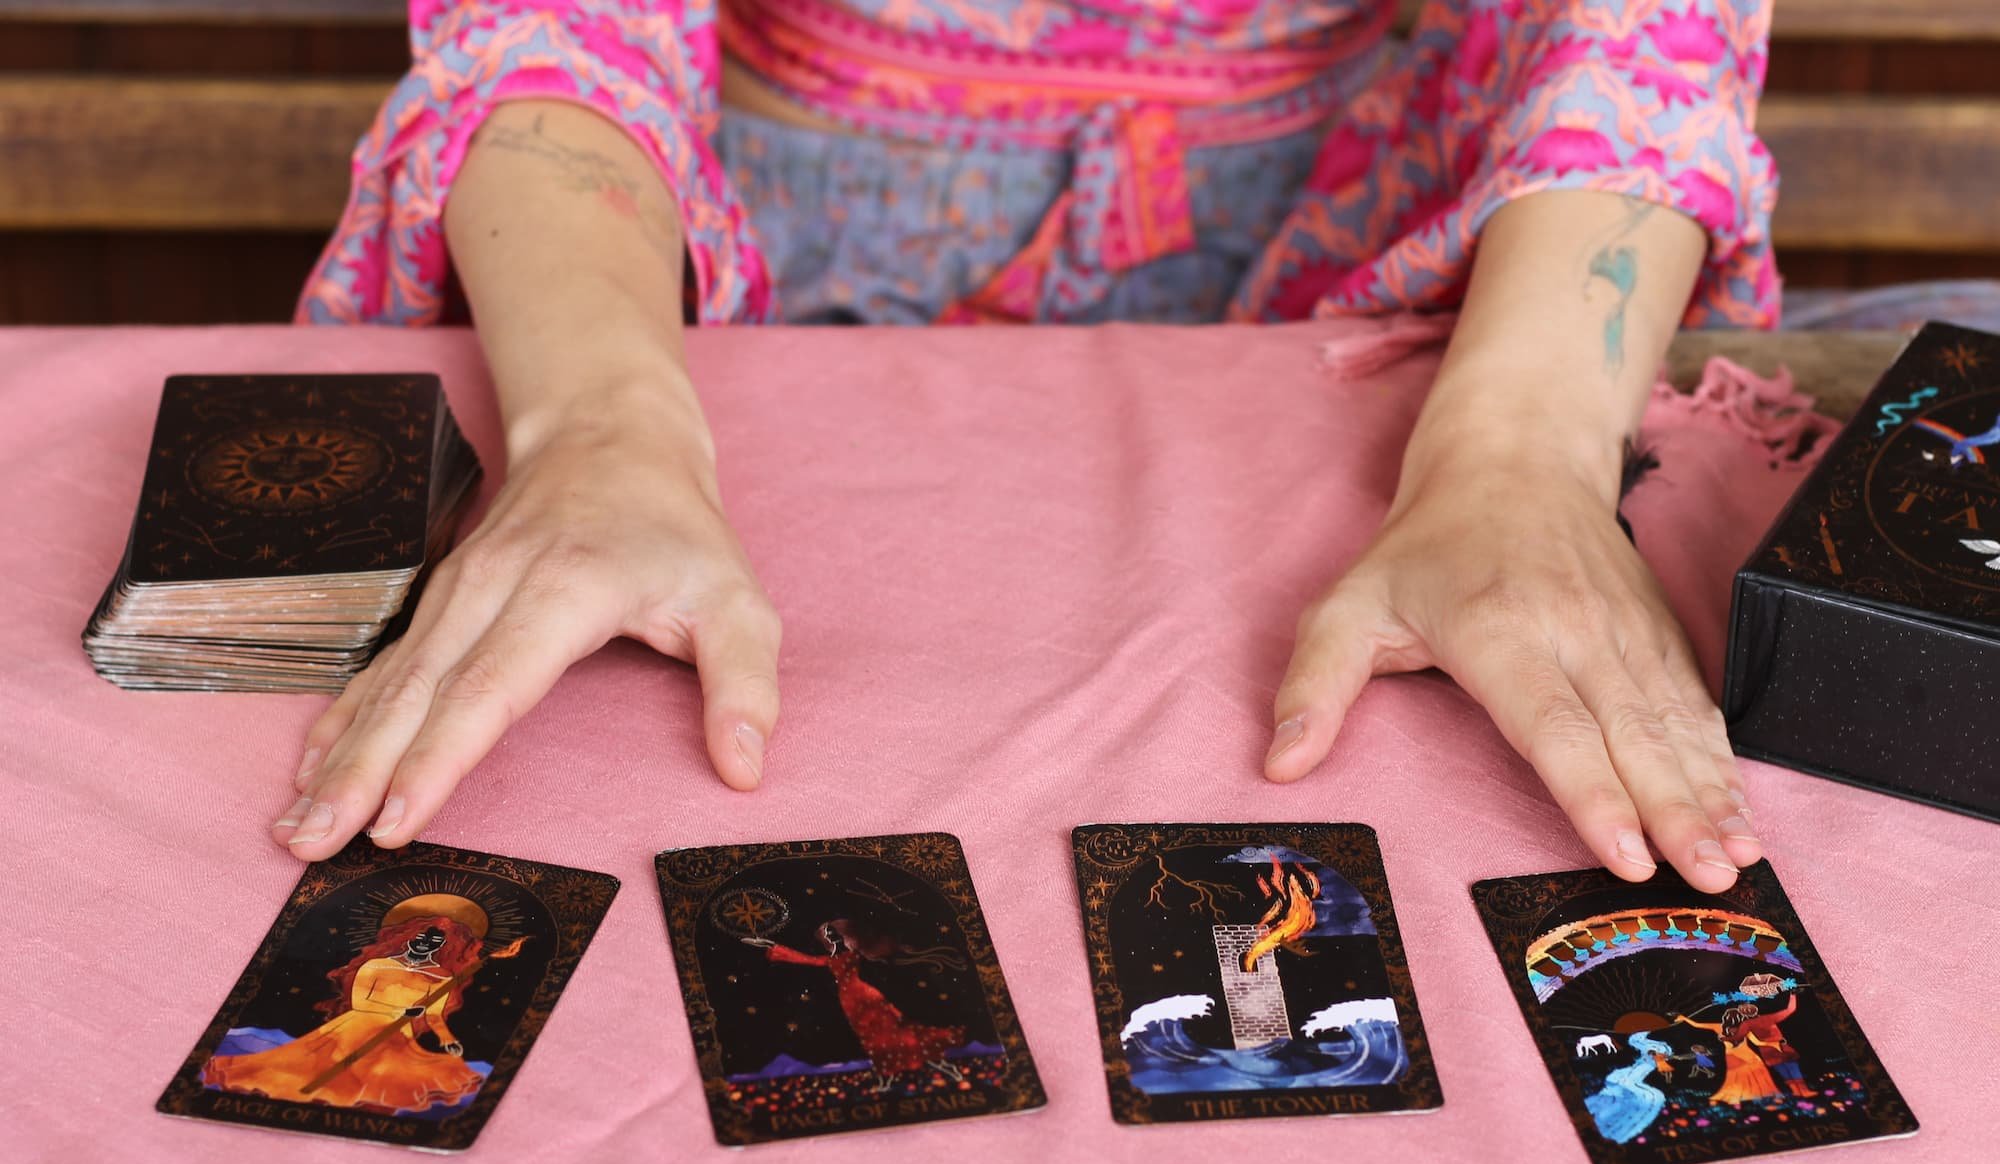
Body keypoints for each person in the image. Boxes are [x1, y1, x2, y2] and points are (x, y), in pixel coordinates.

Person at [274, 1, 1774, 896]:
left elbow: (1633, 22)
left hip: (1355, 308)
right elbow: (554, 20)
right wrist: (597, 425)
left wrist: (1524, 448)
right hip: (718, 303)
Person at [204, 898, 488, 1111]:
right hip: (359, 1023)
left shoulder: (439, 977)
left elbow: (435, 1016)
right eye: (423, 936)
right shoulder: (377, 965)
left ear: (440, 947)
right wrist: (400, 1012)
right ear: (411, 937)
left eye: (434, 941)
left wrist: (447, 1040)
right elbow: (360, 1001)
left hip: (398, 1034)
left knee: (402, 1074)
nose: (426, 942)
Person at [748, 919, 967, 1090]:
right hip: (851, 1002)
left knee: (895, 1031)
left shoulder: (853, 953)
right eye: (829, 936)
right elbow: (800, 958)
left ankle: (939, 1068)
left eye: (833, 935)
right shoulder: (830, 959)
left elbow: (873, 949)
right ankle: (888, 1079)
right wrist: (770, 945)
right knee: (873, 1039)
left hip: (866, 996)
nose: (832, 938)